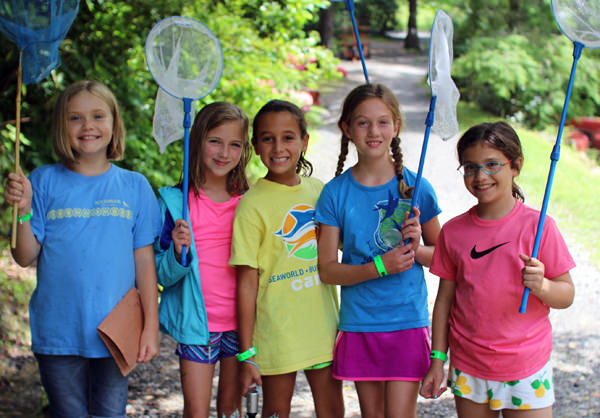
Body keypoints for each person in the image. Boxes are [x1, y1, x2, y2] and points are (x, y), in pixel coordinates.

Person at [3, 80, 161, 417]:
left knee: (110, 412)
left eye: (98, 116)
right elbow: (24, 256)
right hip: (58, 330)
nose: (87, 126)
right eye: (75, 118)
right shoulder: (43, 182)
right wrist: (23, 210)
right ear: (62, 126)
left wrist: (150, 327)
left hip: (116, 332)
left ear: (114, 124)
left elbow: (145, 263)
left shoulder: (135, 186)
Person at [419, 122, 575, 417]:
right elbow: (444, 302)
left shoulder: (539, 227)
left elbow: (566, 295)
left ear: (515, 166)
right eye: (470, 167)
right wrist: (438, 359)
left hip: (527, 365)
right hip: (469, 364)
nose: (480, 176)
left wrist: (542, 286)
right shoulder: (453, 232)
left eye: (492, 165)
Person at [315, 83, 442, 418]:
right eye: (363, 122)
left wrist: (417, 249)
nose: (374, 131)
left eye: (383, 122)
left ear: (396, 126)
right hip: (360, 323)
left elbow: (445, 259)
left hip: (406, 321)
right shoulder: (334, 194)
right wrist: (380, 266)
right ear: (346, 129)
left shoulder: (416, 189)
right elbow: (327, 269)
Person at [230, 99, 344, 418]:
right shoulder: (251, 206)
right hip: (277, 332)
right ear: (255, 145)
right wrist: (246, 351)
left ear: (304, 142)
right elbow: (247, 284)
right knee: (276, 412)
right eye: (268, 138)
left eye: (288, 137)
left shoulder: (320, 191)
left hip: (322, 328)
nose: (278, 147)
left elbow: (346, 248)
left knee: (333, 410)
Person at [153, 101, 250, 418]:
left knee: (230, 410)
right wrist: (178, 253)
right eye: (215, 141)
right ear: (197, 142)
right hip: (197, 325)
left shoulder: (248, 202)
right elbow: (161, 275)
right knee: (196, 411)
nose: (224, 152)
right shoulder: (174, 203)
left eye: (234, 144)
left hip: (242, 325)